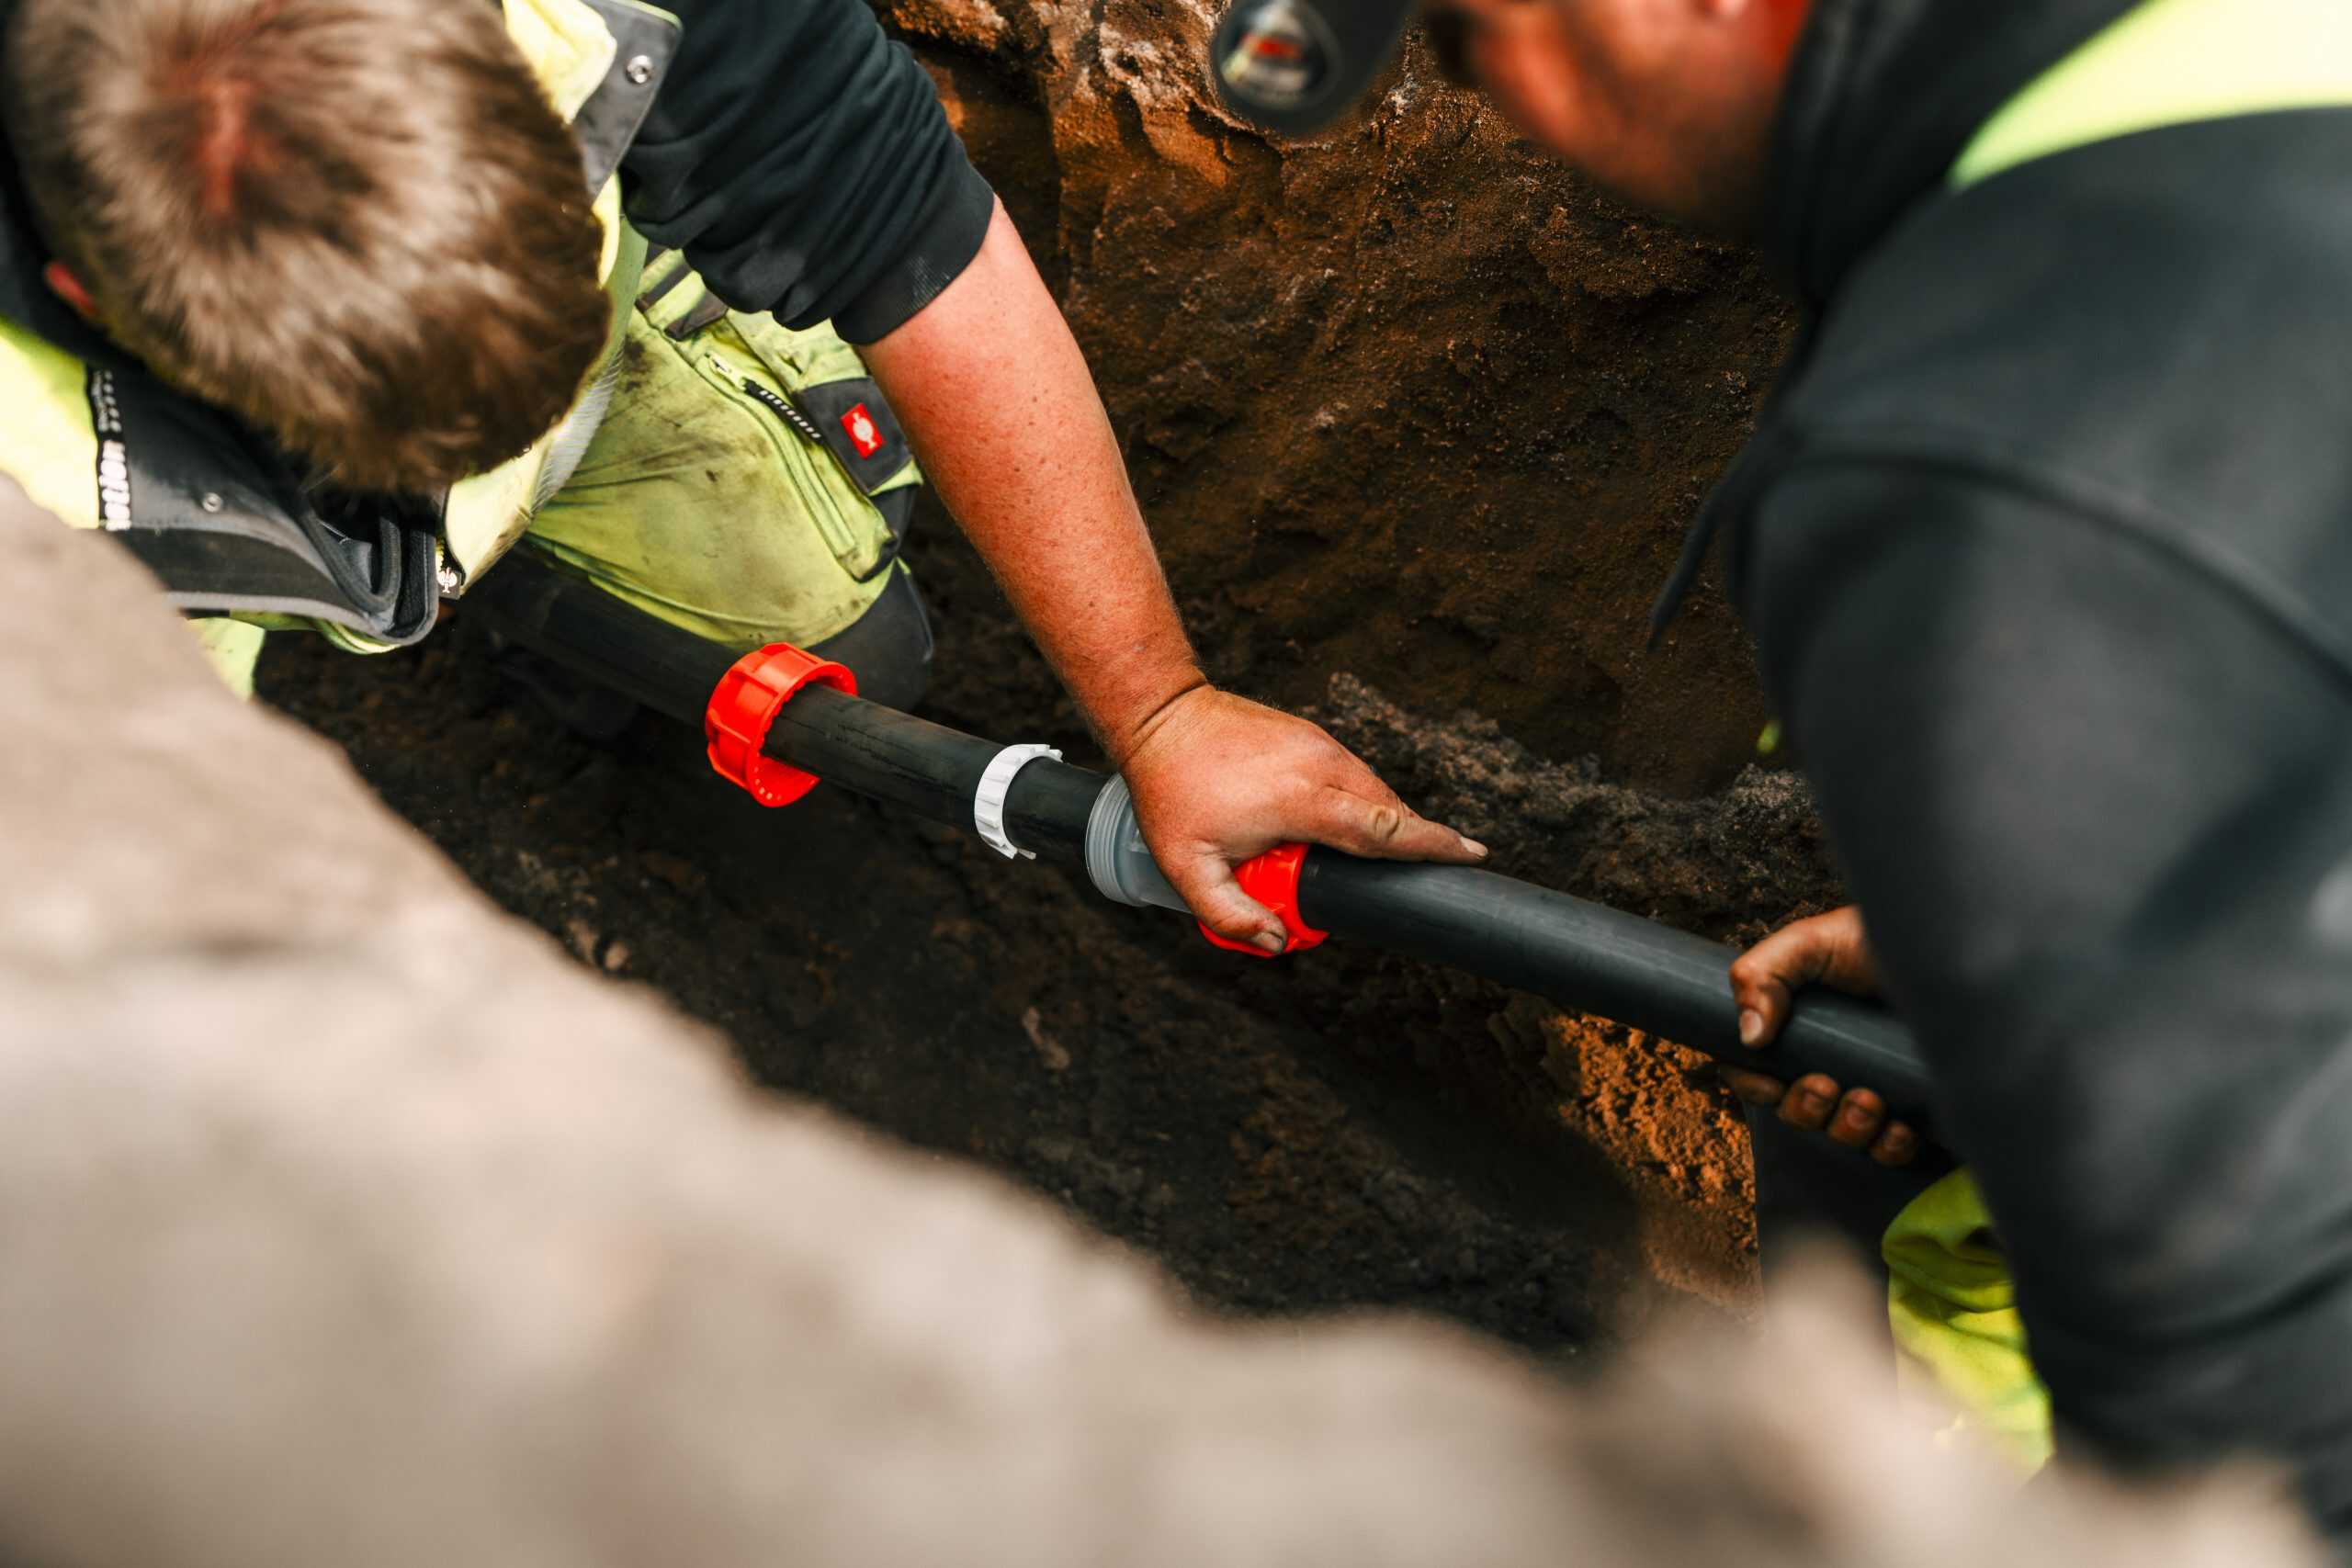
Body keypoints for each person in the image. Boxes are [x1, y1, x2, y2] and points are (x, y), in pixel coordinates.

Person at [1215, 0, 2352, 1537]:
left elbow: (2245, 1449)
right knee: (1854, 1167)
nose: (1500, 104)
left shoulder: (1980, 476)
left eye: (1475, 38)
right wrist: (2090, 916)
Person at [0, 0, 1486, 953]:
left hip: (494, 345)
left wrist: (1161, 707)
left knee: (853, 638)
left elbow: (900, 220)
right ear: (83, 286)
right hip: (96, 536)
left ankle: (563, 505)